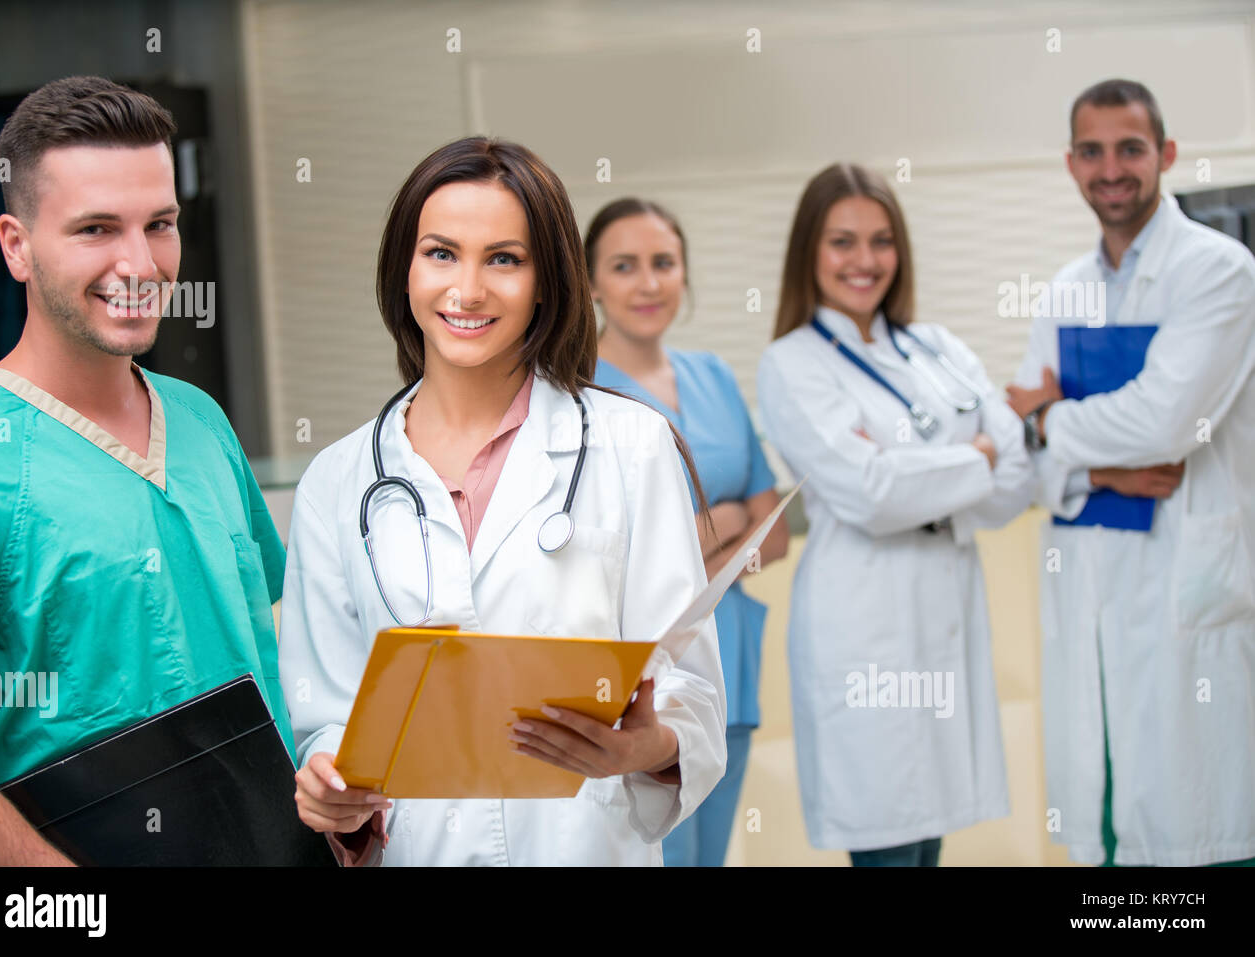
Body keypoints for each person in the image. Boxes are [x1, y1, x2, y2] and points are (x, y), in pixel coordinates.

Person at [279, 137, 727, 866]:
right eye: (442, 253)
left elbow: (691, 687)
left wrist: (651, 742)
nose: (469, 289)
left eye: (505, 259)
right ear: (404, 270)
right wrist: (335, 796)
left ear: (547, 280)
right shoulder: (337, 481)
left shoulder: (633, 446)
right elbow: (328, 713)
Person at [0, 76, 293, 865]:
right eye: (97, 228)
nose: (139, 263)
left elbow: (267, 650)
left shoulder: (200, 420)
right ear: (16, 245)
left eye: (161, 224)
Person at [1005, 79, 1255, 867]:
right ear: (1071, 164)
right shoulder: (1064, 288)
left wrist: (1051, 420)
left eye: (1131, 148)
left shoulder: (1220, 271)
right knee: (1108, 819)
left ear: (1166, 156)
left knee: (1197, 816)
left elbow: (1162, 423)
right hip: (1091, 585)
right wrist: (1096, 473)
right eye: (1092, 150)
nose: (1111, 168)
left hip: (1188, 583)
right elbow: (1017, 455)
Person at [757, 163, 1033, 866]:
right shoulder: (793, 363)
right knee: (886, 837)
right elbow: (870, 495)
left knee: (928, 834)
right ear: (809, 252)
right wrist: (972, 456)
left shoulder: (938, 347)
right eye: (842, 241)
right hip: (865, 628)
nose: (865, 261)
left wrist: (937, 473)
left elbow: (1017, 477)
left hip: (942, 612)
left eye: (881, 241)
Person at [584, 198, 788, 866]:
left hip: (730, 665)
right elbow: (609, 559)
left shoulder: (713, 376)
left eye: (663, 263)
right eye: (624, 266)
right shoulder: (578, 395)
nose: (648, 283)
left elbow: (776, 533)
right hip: (642, 684)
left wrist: (713, 532)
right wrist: (728, 520)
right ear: (591, 283)